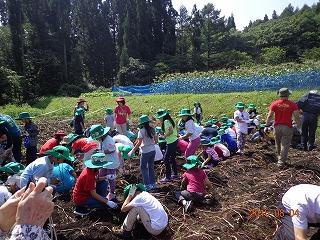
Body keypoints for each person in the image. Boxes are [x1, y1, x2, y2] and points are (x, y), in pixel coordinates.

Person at [266, 88, 301, 167]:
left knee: (277, 144)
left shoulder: (274, 104)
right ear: (288, 95)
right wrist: (299, 127)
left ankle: (279, 157)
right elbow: (297, 117)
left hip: (277, 127)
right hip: (287, 127)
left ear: (280, 95)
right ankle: (281, 162)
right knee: (285, 145)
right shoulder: (292, 104)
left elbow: (270, 116)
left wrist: (266, 125)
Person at [90, 124, 120, 200]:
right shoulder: (101, 140)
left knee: (111, 177)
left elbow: (111, 150)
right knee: (101, 175)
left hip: (111, 162)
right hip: (104, 161)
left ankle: (112, 193)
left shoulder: (109, 139)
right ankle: (103, 190)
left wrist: (101, 151)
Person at [128, 115, 157, 191]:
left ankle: (147, 185)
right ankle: (153, 184)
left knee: (143, 167)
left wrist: (133, 150)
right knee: (151, 167)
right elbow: (156, 141)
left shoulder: (141, 131)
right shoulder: (152, 129)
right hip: (153, 150)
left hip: (145, 151)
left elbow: (139, 143)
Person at [155, 109, 179, 183]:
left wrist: (164, 136)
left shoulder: (166, 121)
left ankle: (168, 177)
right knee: (172, 158)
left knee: (165, 159)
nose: (159, 119)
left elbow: (170, 131)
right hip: (174, 140)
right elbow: (174, 130)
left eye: (160, 117)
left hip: (171, 141)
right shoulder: (169, 120)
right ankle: (175, 174)